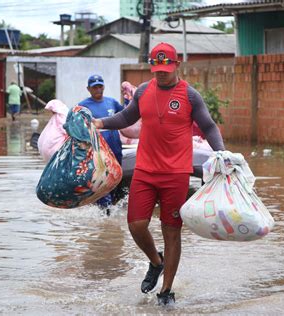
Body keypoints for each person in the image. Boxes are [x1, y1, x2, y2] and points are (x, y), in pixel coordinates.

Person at [92, 42, 225, 306]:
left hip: (176, 173)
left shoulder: (190, 95)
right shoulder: (143, 92)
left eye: (166, 68)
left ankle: (166, 291)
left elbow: (209, 126)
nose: (161, 73)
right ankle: (156, 261)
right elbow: (127, 118)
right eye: (157, 68)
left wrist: (222, 153)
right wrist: (100, 123)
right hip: (145, 170)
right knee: (136, 224)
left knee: (171, 231)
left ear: (176, 65)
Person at [79, 74, 124, 211]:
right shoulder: (83, 106)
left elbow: (125, 115)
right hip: (98, 151)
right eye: (94, 87)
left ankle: (114, 206)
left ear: (103, 86)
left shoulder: (112, 102)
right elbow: (77, 127)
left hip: (115, 147)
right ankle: (105, 210)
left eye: (100, 86)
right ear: (88, 89)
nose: (98, 89)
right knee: (102, 178)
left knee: (117, 177)